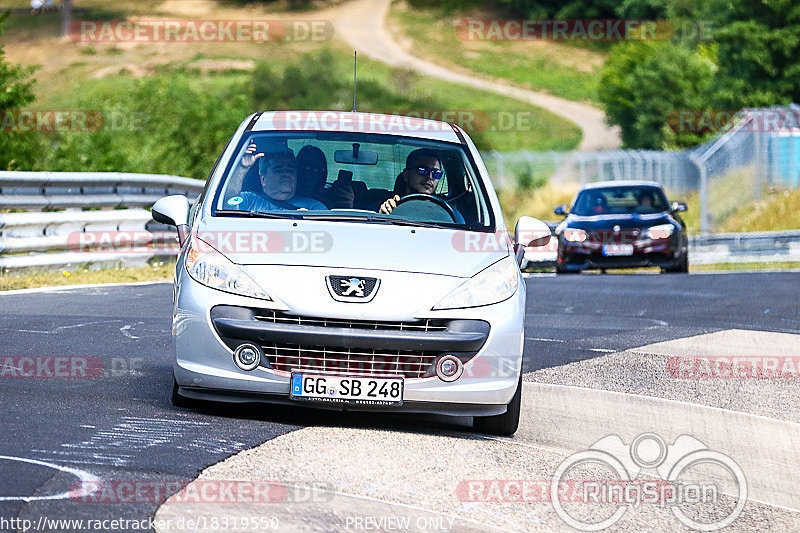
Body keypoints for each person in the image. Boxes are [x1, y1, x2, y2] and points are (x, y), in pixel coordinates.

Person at [227, 141, 326, 212]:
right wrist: (242, 168)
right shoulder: (249, 199)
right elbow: (227, 204)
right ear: (263, 179)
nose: (286, 174)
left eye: (290, 170)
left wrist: (306, 221)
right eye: (278, 170)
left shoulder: (314, 208)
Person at [377, 148, 462, 222]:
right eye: (423, 171)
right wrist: (382, 216)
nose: (430, 177)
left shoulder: (449, 213)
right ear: (406, 175)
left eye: (436, 173)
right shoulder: (387, 206)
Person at [296, 145, 354, 209]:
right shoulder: (286, 196)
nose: (311, 173)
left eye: (316, 169)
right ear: (297, 169)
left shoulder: (329, 201)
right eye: (306, 167)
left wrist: (348, 205)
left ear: (323, 173)